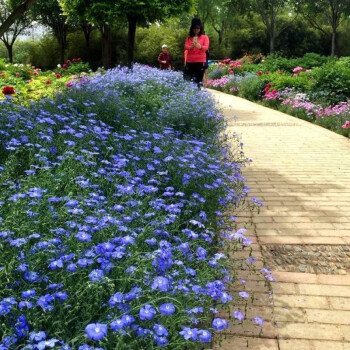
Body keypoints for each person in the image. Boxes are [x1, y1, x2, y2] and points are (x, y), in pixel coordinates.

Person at [184, 18, 209, 87]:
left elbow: (206, 48)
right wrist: (192, 46)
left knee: (198, 81)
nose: (196, 30)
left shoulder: (205, 37)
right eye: (194, 28)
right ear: (192, 29)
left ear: (200, 28)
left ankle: (197, 95)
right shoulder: (189, 38)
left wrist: (200, 47)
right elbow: (186, 47)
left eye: (198, 28)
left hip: (200, 61)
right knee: (188, 80)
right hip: (190, 61)